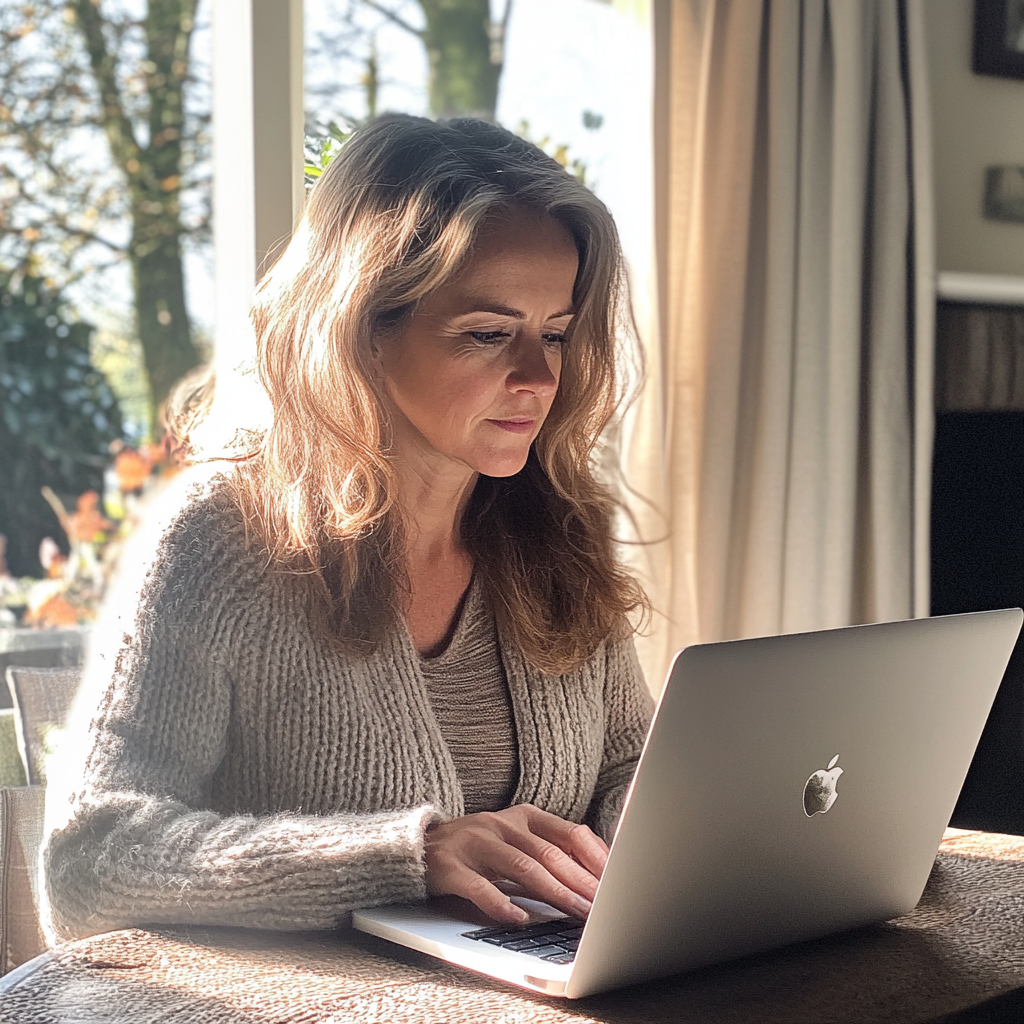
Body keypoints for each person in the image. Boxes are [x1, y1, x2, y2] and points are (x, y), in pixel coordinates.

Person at [43, 114, 654, 940]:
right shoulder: (222, 540)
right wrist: (411, 855)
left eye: (555, 333)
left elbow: (628, 765)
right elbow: (91, 861)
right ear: (361, 329)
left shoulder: (556, 534)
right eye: (487, 334)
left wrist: (652, 848)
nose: (540, 377)